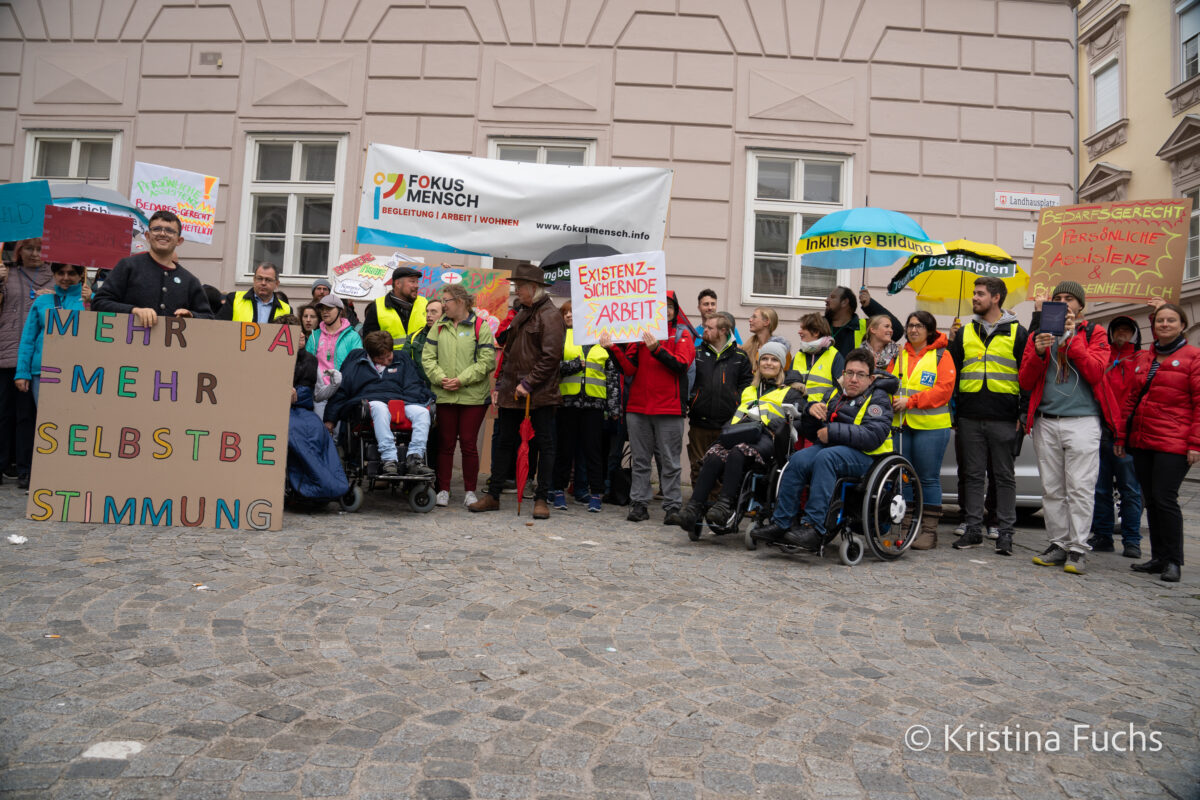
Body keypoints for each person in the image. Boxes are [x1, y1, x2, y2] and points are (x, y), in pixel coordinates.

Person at [751, 348, 899, 549]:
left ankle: (814, 527)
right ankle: (781, 522)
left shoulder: (879, 398)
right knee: (798, 458)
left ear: (871, 378)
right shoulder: (834, 393)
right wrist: (810, 413)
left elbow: (873, 436)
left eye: (860, 375)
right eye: (850, 373)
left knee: (827, 458)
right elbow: (814, 433)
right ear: (843, 374)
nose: (853, 379)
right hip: (834, 448)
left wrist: (832, 431)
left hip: (868, 456)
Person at [1021, 281, 1117, 577]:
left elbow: (1095, 372)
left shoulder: (1094, 332)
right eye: (1058, 298)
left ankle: (1078, 547)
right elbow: (1025, 381)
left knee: (1080, 488)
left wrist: (1072, 338)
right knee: (1052, 489)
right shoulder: (1039, 334)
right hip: (1047, 420)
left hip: (1082, 421)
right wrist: (1038, 353)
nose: (1063, 302)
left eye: (1069, 299)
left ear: (1080, 306)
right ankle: (1058, 544)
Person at [469, 260, 565, 519]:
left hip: (540, 394)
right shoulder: (522, 312)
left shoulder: (550, 315)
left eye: (520, 287)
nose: (516, 291)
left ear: (533, 287)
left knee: (544, 445)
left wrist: (528, 383)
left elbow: (551, 357)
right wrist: (501, 384)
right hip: (512, 391)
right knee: (504, 442)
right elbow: (509, 352)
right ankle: (494, 495)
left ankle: (541, 498)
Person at [1116, 302, 1199, 584]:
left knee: (1165, 498)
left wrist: (1195, 443)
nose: (1164, 325)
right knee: (1150, 500)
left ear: (1182, 325)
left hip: (1174, 441)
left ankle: (1174, 561)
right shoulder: (1146, 357)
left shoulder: (1193, 357)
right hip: (1143, 438)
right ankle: (1159, 557)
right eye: (1160, 320)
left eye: (1171, 320)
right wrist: (1122, 436)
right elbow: (1131, 399)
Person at [946, 276, 1028, 557]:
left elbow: (1026, 375)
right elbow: (953, 372)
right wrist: (950, 341)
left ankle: (1005, 534)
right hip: (969, 416)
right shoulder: (965, 332)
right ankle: (972, 529)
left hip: (1004, 417)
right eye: (974, 293)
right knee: (972, 475)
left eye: (980, 293)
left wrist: (1023, 413)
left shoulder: (1018, 332)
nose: (974, 297)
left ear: (996, 298)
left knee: (1004, 477)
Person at [680, 341, 801, 529]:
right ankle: (693, 508)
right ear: (758, 364)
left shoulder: (789, 393)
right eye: (765, 359)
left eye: (774, 360)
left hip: (767, 438)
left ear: (781, 365)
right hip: (741, 433)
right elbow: (736, 416)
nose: (769, 363)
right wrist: (726, 433)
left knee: (738, 451)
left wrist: (762, 419)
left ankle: (724, 505)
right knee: (715, 454)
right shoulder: (749, 390)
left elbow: (795, 422)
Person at [603, 291, 696, 525]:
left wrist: (656, 349)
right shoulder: (639, 334)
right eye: (661, 306)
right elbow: (629, 369)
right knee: (640, 460)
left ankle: (672, 507)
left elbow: (681, 365)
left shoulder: (682, 334)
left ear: (676, 310)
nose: (666, 310)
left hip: (669, 409)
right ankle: (639, 504)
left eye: (670, 307)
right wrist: (612, 348)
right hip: (638, 408)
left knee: (670, 462)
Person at [422, 285, 495, 508]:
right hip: (444, 394)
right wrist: (441, 378)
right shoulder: (439, 327)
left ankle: (470, 491)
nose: (443, 304)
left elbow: (487, 361)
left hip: (473, 397)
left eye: (447, 300)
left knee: (468, 444)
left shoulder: (480, 326)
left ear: (460, 301)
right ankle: (443, 490)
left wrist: (461, 380)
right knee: (445, 444)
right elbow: (428, 358)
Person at [324, 330, 435, 477]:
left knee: (422, 413)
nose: (387, 361)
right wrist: (330, 419)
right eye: (381, 359)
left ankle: (415, 458)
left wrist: (409, 400)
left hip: (401, 401)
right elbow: (342, 390)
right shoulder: (356, 361)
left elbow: (414, 384)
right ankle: (389, 459)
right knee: (379, 407)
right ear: (370, 355)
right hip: (370, 403)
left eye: (389, 356)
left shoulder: (402, 358)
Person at [889, 310, 955, 550]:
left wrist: (911, 401)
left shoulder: (941, 355)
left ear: (929, 330)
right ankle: (906, 526)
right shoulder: (899, 354)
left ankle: (928, 531)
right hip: (902, 425)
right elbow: (888, 383)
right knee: (904, 477)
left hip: (931, 427)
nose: (913, 330)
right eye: (910, 325)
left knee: (927, 478)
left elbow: (943, 391)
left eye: (919, 326)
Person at [91, 209, 213, 325]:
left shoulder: (190, 281)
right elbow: (99, 303)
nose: (162, 234)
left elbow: (208, 318)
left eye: (170, 231)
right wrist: (134, 310)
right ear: (148, 236)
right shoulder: (128, 266)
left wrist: (192, 316)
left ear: (179, 240)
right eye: (156, 229)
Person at [551, 301, 614, 513]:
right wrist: (575, 365)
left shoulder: (602, 340)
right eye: (567, 313)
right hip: (568, 402)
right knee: (565, 449)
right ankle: (558, 491)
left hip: (595, 405)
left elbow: (611, 376)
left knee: (593, 451)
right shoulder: (563, 336)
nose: (571, 315)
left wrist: (613, 407)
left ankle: (595, 494)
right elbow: (553, 367)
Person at [1089, 316, 1144, 559]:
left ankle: (1132, 540)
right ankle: (1103, 535)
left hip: (1127, 432)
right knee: (1100, 488)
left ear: (1134, 333)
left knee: (1130, 490)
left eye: (1127, 329)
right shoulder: (1104, 354)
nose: (1122, 332)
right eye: (1118, 328)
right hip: (1102, 429)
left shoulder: (1140, 358)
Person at [0, 238, 52, 488]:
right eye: (29, 248)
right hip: (7, 351)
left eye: (40, 249)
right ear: (20, 251)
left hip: (38, 357)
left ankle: (25, 469)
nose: (34, 253)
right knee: (3, 414)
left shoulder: (58, 277)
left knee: (27, 417)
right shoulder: (7, 273)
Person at [687, 312, 753, 491]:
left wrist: (737, 403)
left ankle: (716, 504)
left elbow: (747, 385)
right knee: (698, 465)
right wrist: (692, 400)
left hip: (727, 423)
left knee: (721, 467)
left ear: (723, 331)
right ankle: (697, 503)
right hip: (699, 422)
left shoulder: (740, 356)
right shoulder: (696, 353)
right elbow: (687, 381)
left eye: (709, 328)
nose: (704, 331)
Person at [15, 260, 90, 405]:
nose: (65, 277)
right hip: (42, 372)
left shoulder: (93, 301)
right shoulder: (41, 301)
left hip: (80, 373)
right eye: (60, 273)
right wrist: (22, 373)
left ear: (81, 275)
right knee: (46, 417)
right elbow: (28, 339)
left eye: (71, 273)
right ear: (54, 275)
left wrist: (89, 304)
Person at [306, 295, 362, 419]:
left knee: (336, 430)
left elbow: (356, 366)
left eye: (329, 308)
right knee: (320, 427)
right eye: (322, 309)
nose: (324, 312)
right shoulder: (314, 336)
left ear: (340, 311)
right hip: (319, 392)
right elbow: (307, 365)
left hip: (342, 393)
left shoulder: (353, 336)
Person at [363, 265, 427, 356]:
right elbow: (369, 343)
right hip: (391, 362)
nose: (417, 286)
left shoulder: (425, 303)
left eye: (417, 282)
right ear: (398, 284)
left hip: (421, 362)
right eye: (412, 282)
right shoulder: (377, 306)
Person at [824, 287, 902, 356]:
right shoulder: (820, 325)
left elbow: (897, 330)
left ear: (844, 302)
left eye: (832, 297)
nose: (826, 300)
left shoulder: (865, 326)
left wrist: (870, 305)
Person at [791, 313, 844, 406]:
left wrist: (824, 407)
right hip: (797, 411)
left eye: (803, 328)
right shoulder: (798, 355)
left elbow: (840, 390)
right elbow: (788, 385)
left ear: (816, 332)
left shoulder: (835, 356)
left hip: (823, 412)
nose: (799, 332)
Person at [216, 262, 292, 322]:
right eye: (259, 278)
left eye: (268, 280)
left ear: (277, 284)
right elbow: (220, 328)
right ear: (254, 280)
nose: (263, 283)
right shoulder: (234, 299)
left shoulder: (287, 310)